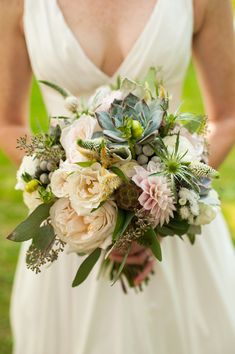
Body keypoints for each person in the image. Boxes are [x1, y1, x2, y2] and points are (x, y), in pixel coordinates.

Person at [1, 0, 235, 353]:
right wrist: (83, 207)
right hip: (71, 231)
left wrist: (158, 209)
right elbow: (8, 122)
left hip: (174, 226)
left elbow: (229, 116)